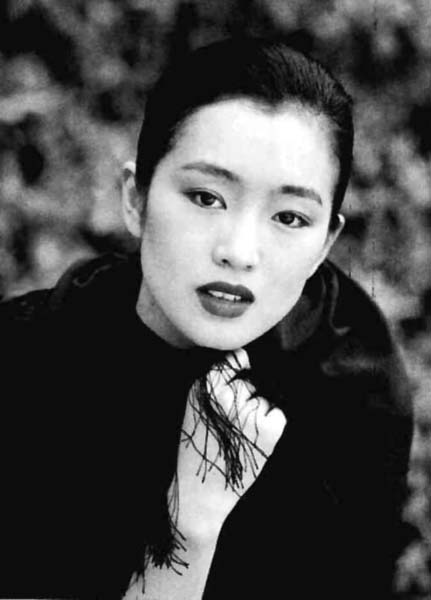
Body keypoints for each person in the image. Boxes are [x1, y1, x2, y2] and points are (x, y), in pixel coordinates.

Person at [0, 37, 413, 599]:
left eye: (290, 217)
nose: (239, 252)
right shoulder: (26, 364)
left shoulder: (349, 387)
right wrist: (188, 530)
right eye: (205, 197)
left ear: (325, 243)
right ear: (136, 198)